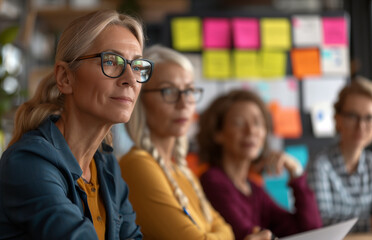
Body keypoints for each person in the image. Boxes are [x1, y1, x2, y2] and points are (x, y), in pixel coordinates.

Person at [0, 10, 153, 239]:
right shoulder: (28, 162)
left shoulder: (105, 164)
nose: (131, 79)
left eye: (138, 66)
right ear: (65, 78)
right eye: (111, 61)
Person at [119, 45, 234, 239]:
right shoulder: (137, 164)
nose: (183, 103)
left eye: (189, 91)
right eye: (168, 91)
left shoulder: (180, 170)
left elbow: (227, 229)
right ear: (140, 100)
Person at [197, 89, 322, 240]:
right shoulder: (212, 180)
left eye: (257, 122)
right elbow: (248, 234)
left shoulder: (253, 189)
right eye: (239, 123)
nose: (251, 131)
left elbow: (310, 231)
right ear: (218, 133)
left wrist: (296, 171)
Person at [306, 76, 372, 232]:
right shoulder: (320, 164)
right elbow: (320, 222)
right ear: (337, 119)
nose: (361, 125)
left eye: (369, 118)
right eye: (352, 116)